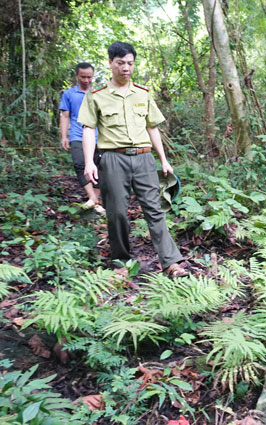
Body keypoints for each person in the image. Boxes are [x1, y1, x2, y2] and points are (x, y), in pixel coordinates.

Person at [78, 41, 186, 277]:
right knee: (116, 212)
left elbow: (153, 128)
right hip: (113, 159)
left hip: (143, 158)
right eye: (120, 63)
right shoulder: (97, 95)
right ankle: (121, 263)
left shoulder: (143, 93)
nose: (126, 68)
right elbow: (88, 129)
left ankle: (170, 263)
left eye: (130, 63)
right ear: (110, 64)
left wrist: (164, 160)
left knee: (154, 210)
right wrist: (89, 162)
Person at [59, 62, 104, 214]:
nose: (86, 80)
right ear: (77, 76)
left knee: (99, 166)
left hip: (99, 136)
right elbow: (65, 116)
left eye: (89, 77)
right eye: (83, 77)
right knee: (80, 164)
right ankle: (93, 198)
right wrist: (64, 136)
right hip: (77, 135)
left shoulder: (99, 93)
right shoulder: (69, 94)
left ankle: (95, 201)